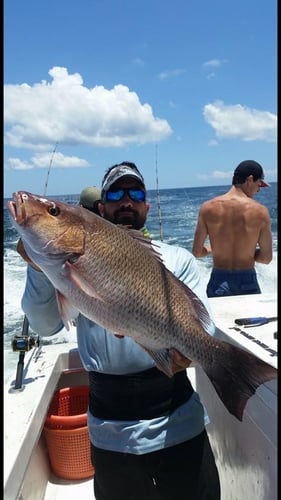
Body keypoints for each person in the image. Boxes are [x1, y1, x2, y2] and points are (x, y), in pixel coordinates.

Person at [20, 161, 220, 500]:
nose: (126, 201)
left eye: (135, 193)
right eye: (116, 193)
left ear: (146, 205)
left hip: (180, 427)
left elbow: (205, 329)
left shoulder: (176, 259)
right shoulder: (65, 263)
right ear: (102, 207)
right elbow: (44, 325)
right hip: (110, 436)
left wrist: (180, 345)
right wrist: (40, 267)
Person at [192, 160, 272, 298]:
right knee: (252, 320)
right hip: (248, 280)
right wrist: (247, 252)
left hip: (218, 281)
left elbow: (197, 252)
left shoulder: (207, 208)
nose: (258, 190)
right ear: (250, 179)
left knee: (217, 320)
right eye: (258, 184)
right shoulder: (260, 212)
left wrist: (213, 248)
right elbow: (266, 258)